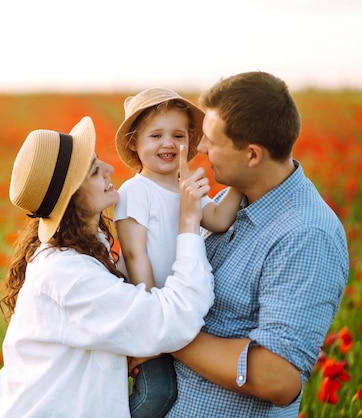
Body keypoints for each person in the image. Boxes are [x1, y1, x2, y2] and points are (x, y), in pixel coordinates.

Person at [131, 71, 348, 417]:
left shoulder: (306, 235)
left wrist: (165, 333)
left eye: (212, 141)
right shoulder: (232, 200)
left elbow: (279, 378)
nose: (199, 147)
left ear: (252, 155)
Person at [0, 116, 215, 417]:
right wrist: (189, 224)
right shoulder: (67, 274)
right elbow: (173, 318)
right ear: (72, 199)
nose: (110, 169)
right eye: (93, 171)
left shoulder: (85, 249)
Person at [113, 87, 243, 418]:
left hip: (179, 310)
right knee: (158, 391)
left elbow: (218, 219)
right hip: (151, 313)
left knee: (175, 389)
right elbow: (134, 254)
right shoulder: (135, 191)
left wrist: (239, 183)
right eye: (156, 135)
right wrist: (154, 315)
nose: (168, 143)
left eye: (178, 135)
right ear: (134, 143)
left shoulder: (186, 188)